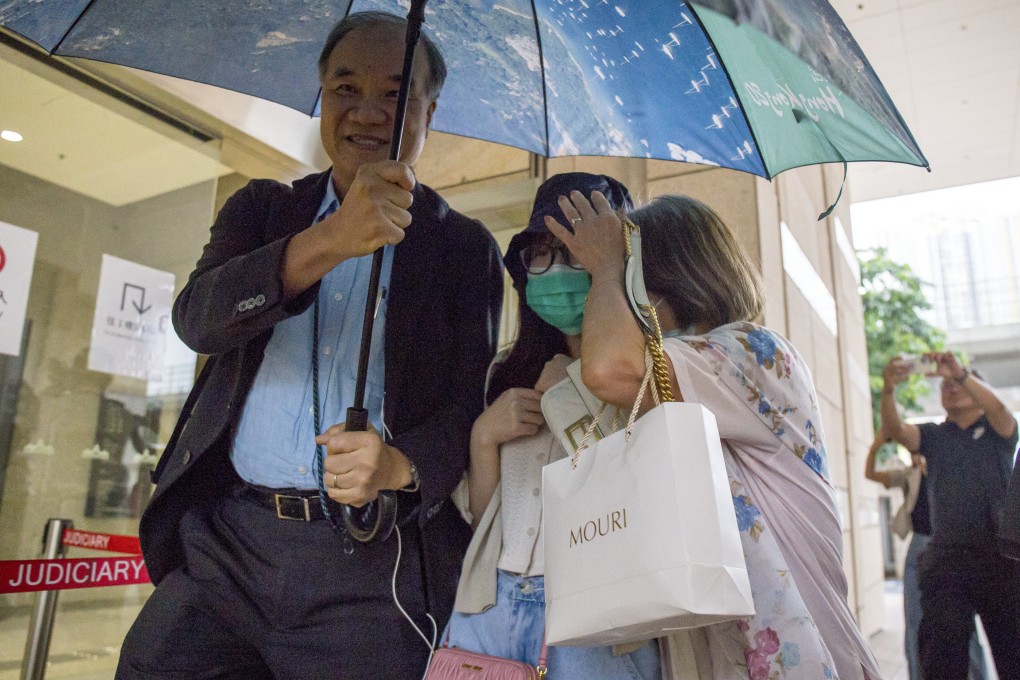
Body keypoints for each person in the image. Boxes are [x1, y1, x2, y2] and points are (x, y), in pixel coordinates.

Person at [117, 12, 503, 680]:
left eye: (394, 94)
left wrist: (402, 466)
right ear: (322, 96)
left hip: (369, 566)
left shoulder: (464, 247)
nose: (367, 112)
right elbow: (198, 321)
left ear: (428, 112)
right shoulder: (263, 208)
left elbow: (470, 400)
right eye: (345, 88)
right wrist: (327, 242)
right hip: (227, 547)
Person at [546, 191, 882, 679]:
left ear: (670, 282)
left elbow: (609, 369)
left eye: (632, 279)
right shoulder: (694, 365)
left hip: (805, 656)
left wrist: (604, 267)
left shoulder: (752, 352)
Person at [446, 172, 662, 679]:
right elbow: (485, 522)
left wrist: (574, 390)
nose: (556, 270)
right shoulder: (505, 370)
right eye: (541, 254)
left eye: (574, 252)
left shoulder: (650, 370)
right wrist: (484, 435)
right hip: (493, 601)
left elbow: (640, 493)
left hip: (599, 615)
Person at [881, 354, 1019, 680]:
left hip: (1000, 561)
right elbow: (896, 430)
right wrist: (888, 388)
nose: (950, 387)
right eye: (945, 384)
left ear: (977, 389)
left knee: (1013, 654)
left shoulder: (998, 430)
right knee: (942, 659)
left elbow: (1000, 408)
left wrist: (961, 373)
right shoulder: (933, 436)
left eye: (957, 383)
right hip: (947, 562)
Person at [865, 426, 987, 680]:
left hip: (951, 545)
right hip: (920, 546)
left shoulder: (951, 467)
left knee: (964, 622)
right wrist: (878, 443)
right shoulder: (908, 474)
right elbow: (871, 474)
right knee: (915, 622)